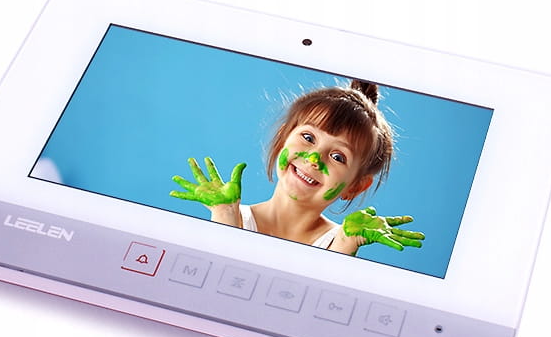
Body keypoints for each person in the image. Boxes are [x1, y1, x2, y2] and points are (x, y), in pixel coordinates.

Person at [169, 80, 424, 256]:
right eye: (309, 138)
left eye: (338, 156)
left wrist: (347, 245)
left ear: (355, 187)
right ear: (283, 138)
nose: (314, 159)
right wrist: (224, 214)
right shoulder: (234, 218)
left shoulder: (340, 240)